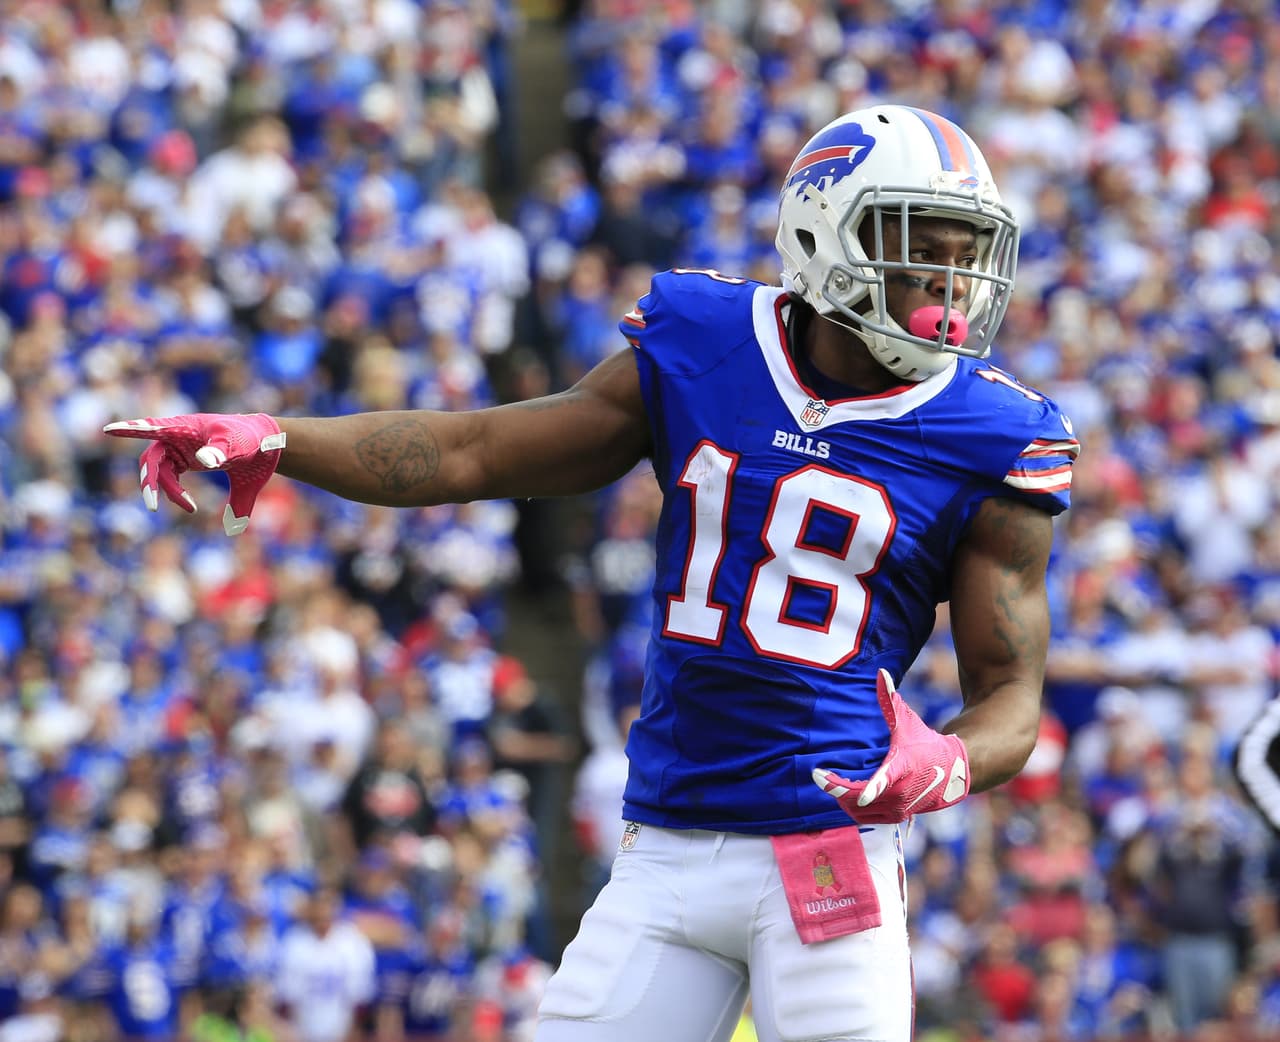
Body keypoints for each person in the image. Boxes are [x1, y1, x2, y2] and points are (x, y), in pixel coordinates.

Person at [105, 104, 1078, 1042]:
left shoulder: (993, 434)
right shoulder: (705, 341)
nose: (948, 279)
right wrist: (282, 439)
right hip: (667, 838)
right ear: (825, 232)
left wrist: (943, 763)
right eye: (920, 242)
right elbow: (475, 449)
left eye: (964, 251)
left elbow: (1009, 698)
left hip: (829, 846)